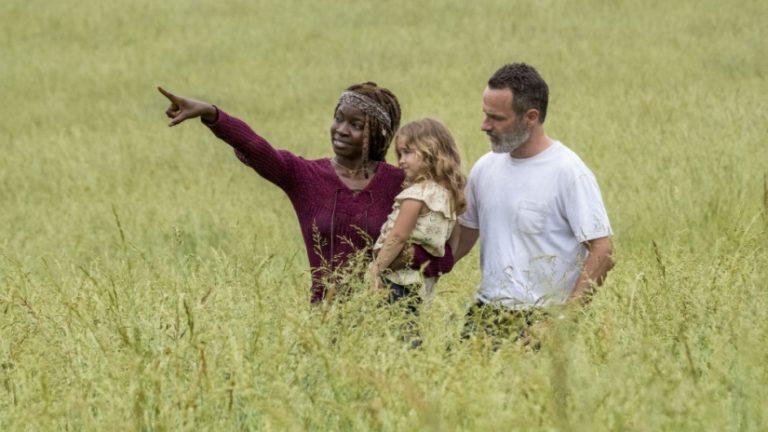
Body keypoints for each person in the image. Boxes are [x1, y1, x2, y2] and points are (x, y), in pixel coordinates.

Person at [158, 83, 454, 303]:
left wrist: (405, 256)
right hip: (324, 318)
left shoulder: (403, 184)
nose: (341, 129)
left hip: (390, 317)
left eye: (356, 125)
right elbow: (257, 148)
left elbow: (443, 256)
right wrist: (212, 114)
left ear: (377, 134)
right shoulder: (305, 176)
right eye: (339, 118)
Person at [454, 63, 614, 341]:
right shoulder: (484, 168)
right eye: (485, 114)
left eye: (496, 118)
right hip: (484, 313)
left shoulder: (568, 172)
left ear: (530, 117)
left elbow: (604, 250)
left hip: (543, 318)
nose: (484, 126)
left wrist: (562, 321)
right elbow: (461, 242)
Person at [368, 118, 466, 307]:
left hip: (396, 280)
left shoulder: (417, 195)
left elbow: (398, 236)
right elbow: (455, 236)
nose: (401, 161)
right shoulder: (447, 196)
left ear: (431, 151)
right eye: (400, 154)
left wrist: (376, 272)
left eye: (407, 152)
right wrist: (442, 264)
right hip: (423, 283)